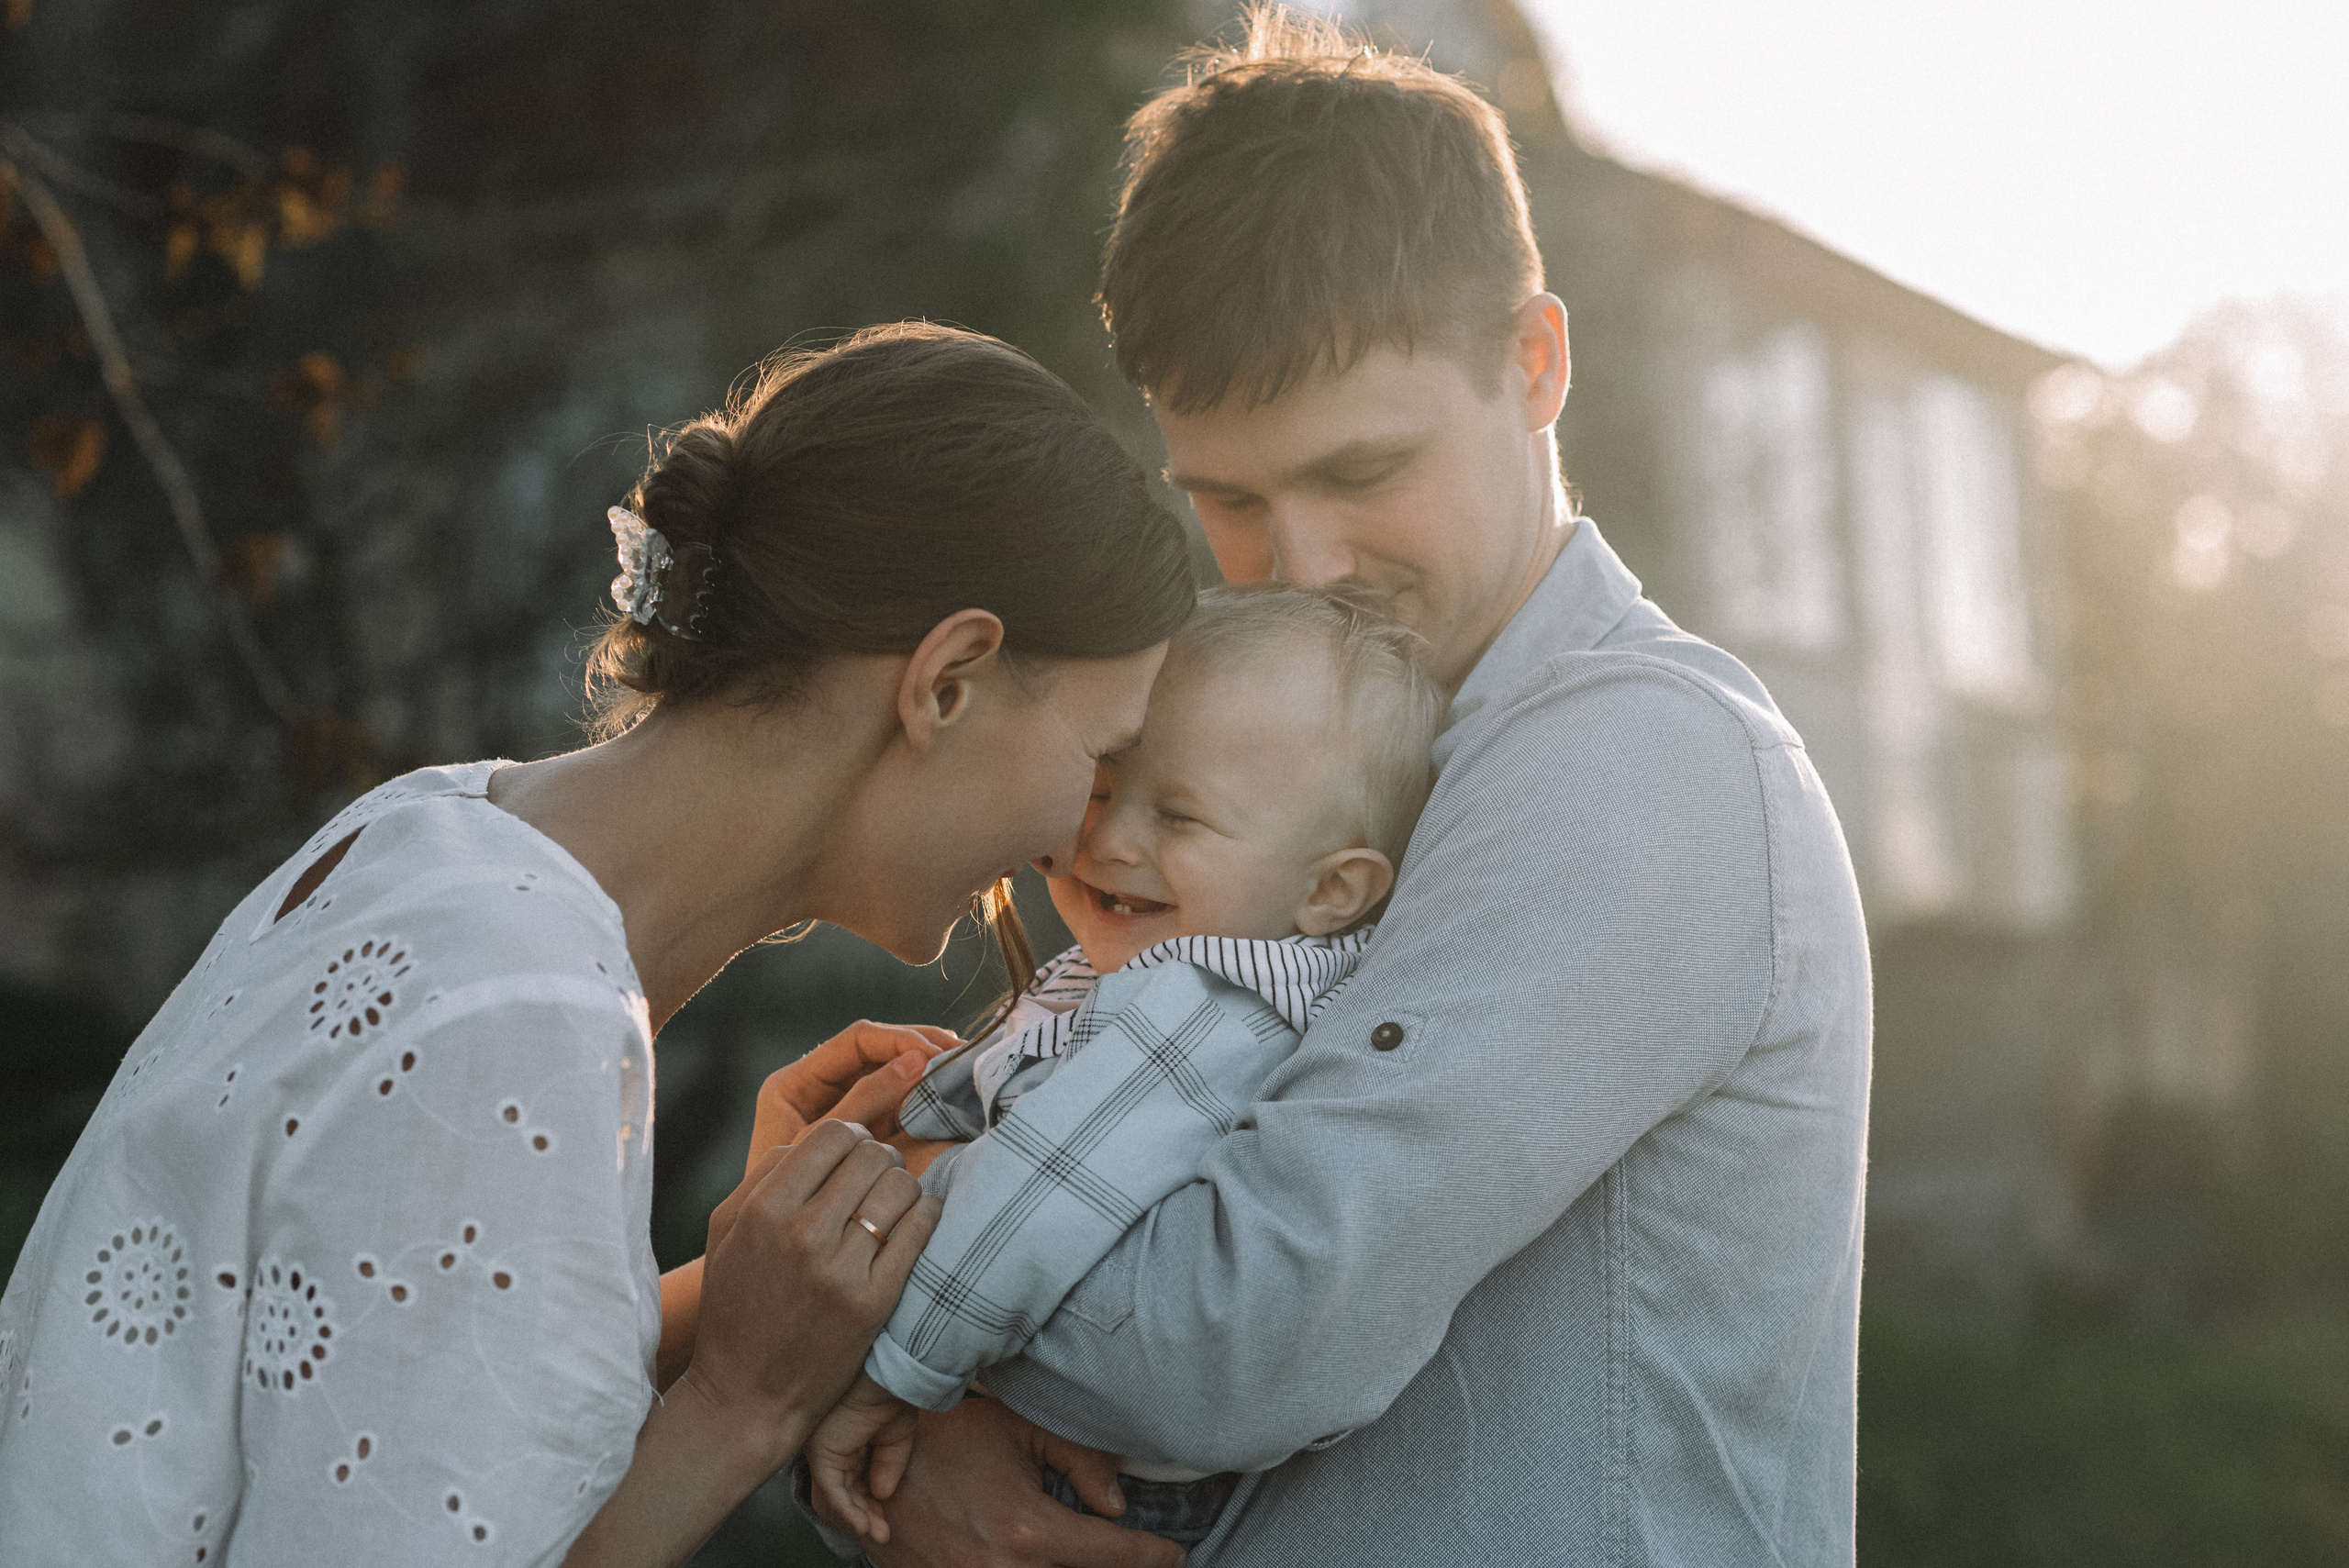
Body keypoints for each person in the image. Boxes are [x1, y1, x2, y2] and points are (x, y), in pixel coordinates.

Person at [823, 12, 1871, 1567]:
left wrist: (861, 1244)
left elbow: (1226, 1334)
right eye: (1232, 498)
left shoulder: (1643, 767)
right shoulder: (1280, 757)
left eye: (1366, 473)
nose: (1304, 565)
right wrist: (925, 1434)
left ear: (1534, 363)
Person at [0, 322, 1200, 1568]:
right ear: (947, 680)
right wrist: (744, 1406)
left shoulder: (435, 827)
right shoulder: (520, 1019)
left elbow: (400, 1380)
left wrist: (731, 1287)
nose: (1091, 833)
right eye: (1101, 758)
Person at [801, 584, 1445, 1549]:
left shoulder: (1206, 1003)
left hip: (1096, 1480)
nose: (1108, 839)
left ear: (1330, 890)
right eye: (1101, 789)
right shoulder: (1154, 965)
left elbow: (1031, 1197)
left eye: (1178, 816)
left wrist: (887, 1378)